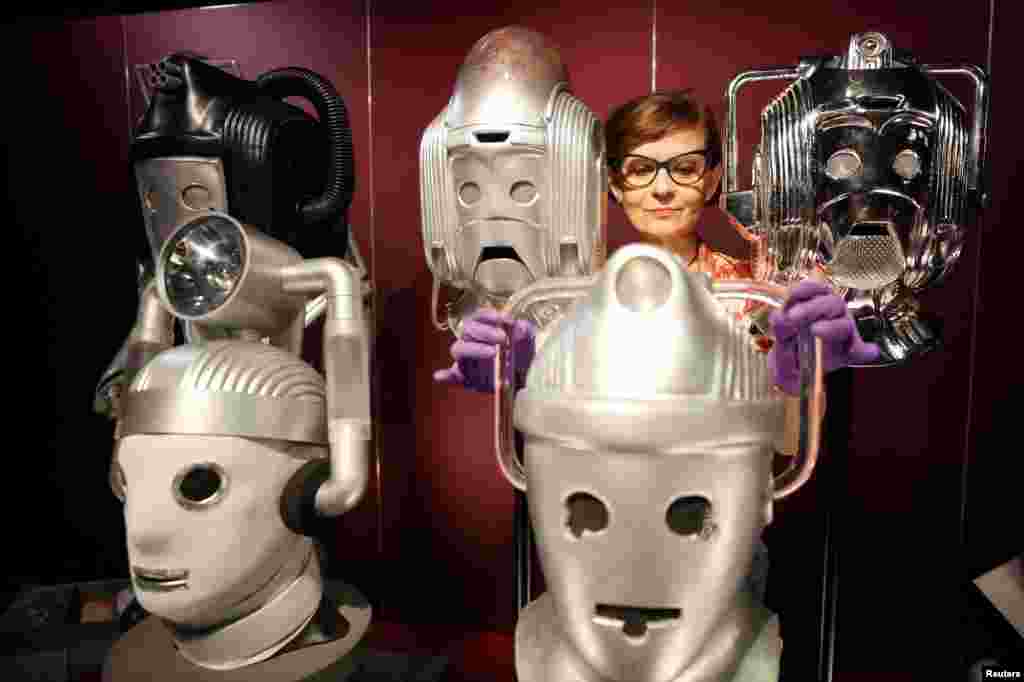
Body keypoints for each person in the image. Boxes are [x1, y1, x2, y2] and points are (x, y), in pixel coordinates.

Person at [433, 89, 878, 599]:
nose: (662, 188)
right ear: (614, 184)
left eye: (684, 167)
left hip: (715, 546)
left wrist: (798, 373)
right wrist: (517, 377)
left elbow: (787, 445)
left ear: (711, 179)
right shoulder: (567, 298)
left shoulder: (756, 299)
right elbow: (543, 443)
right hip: (593, 542)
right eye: (641, 169)